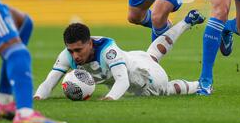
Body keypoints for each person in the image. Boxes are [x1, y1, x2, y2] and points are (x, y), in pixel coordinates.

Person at [34, 10, 205, 100]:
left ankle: (200, 85)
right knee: (152, 55)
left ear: (90, 43)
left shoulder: (108, 50)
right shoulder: (68, 54)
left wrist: (110, 97)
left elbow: (122, 81)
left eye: (78, 50)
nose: (75, 55)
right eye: (71, 50)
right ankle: (186, 22)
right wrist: (38, 96)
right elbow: (49, 81)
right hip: (133, 57)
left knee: (165, 90)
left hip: (144, 77)